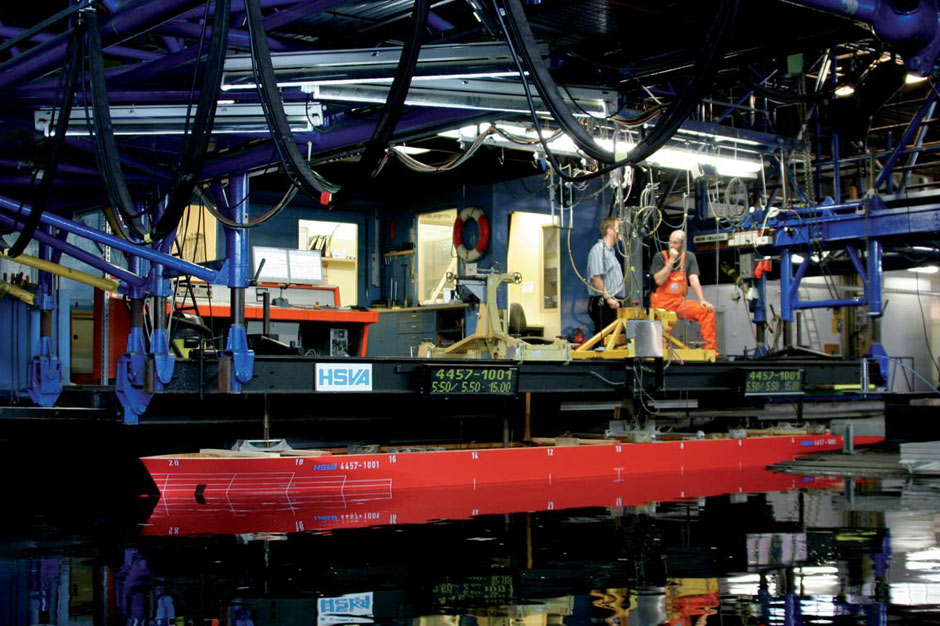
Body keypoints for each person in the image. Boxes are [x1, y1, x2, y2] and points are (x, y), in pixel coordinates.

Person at [650, 230, 718, 353]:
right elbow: (659, 280)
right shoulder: (660, 256)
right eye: (670, 242)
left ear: (682, 244)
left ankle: (710, 351)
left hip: (680, 302)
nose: (671, 245)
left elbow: (694, 279)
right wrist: (671, 260)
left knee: (706, 311)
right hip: (662, 304)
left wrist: (702, 300)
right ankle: (660, 355)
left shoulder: (689, 257)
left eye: (675, 243)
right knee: (661, 336)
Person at [587, 217, 625, 336]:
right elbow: (596, 278)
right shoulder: (599, 250)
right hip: (604, 303)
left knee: (615, 339)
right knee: (604, 339)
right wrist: (608, 299)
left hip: (614, 302)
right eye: (619, 228)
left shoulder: (611, 253)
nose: (622, 231)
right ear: (609, 230)